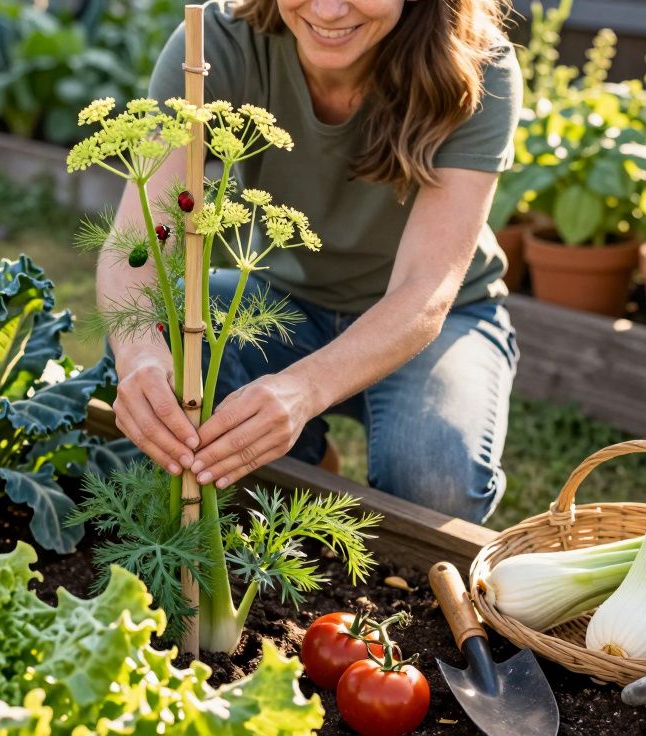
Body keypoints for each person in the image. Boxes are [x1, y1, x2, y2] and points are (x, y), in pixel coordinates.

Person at [98, 0, 521, 523]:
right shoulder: (214, 45)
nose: (326, 8)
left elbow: (425, 287)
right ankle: (311, 469)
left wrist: (302, 390)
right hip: (283, 299)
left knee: (436, 485)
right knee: (154, 344)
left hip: (436, 319)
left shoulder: (477, 66)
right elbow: (138, 243)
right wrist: (137, 351)